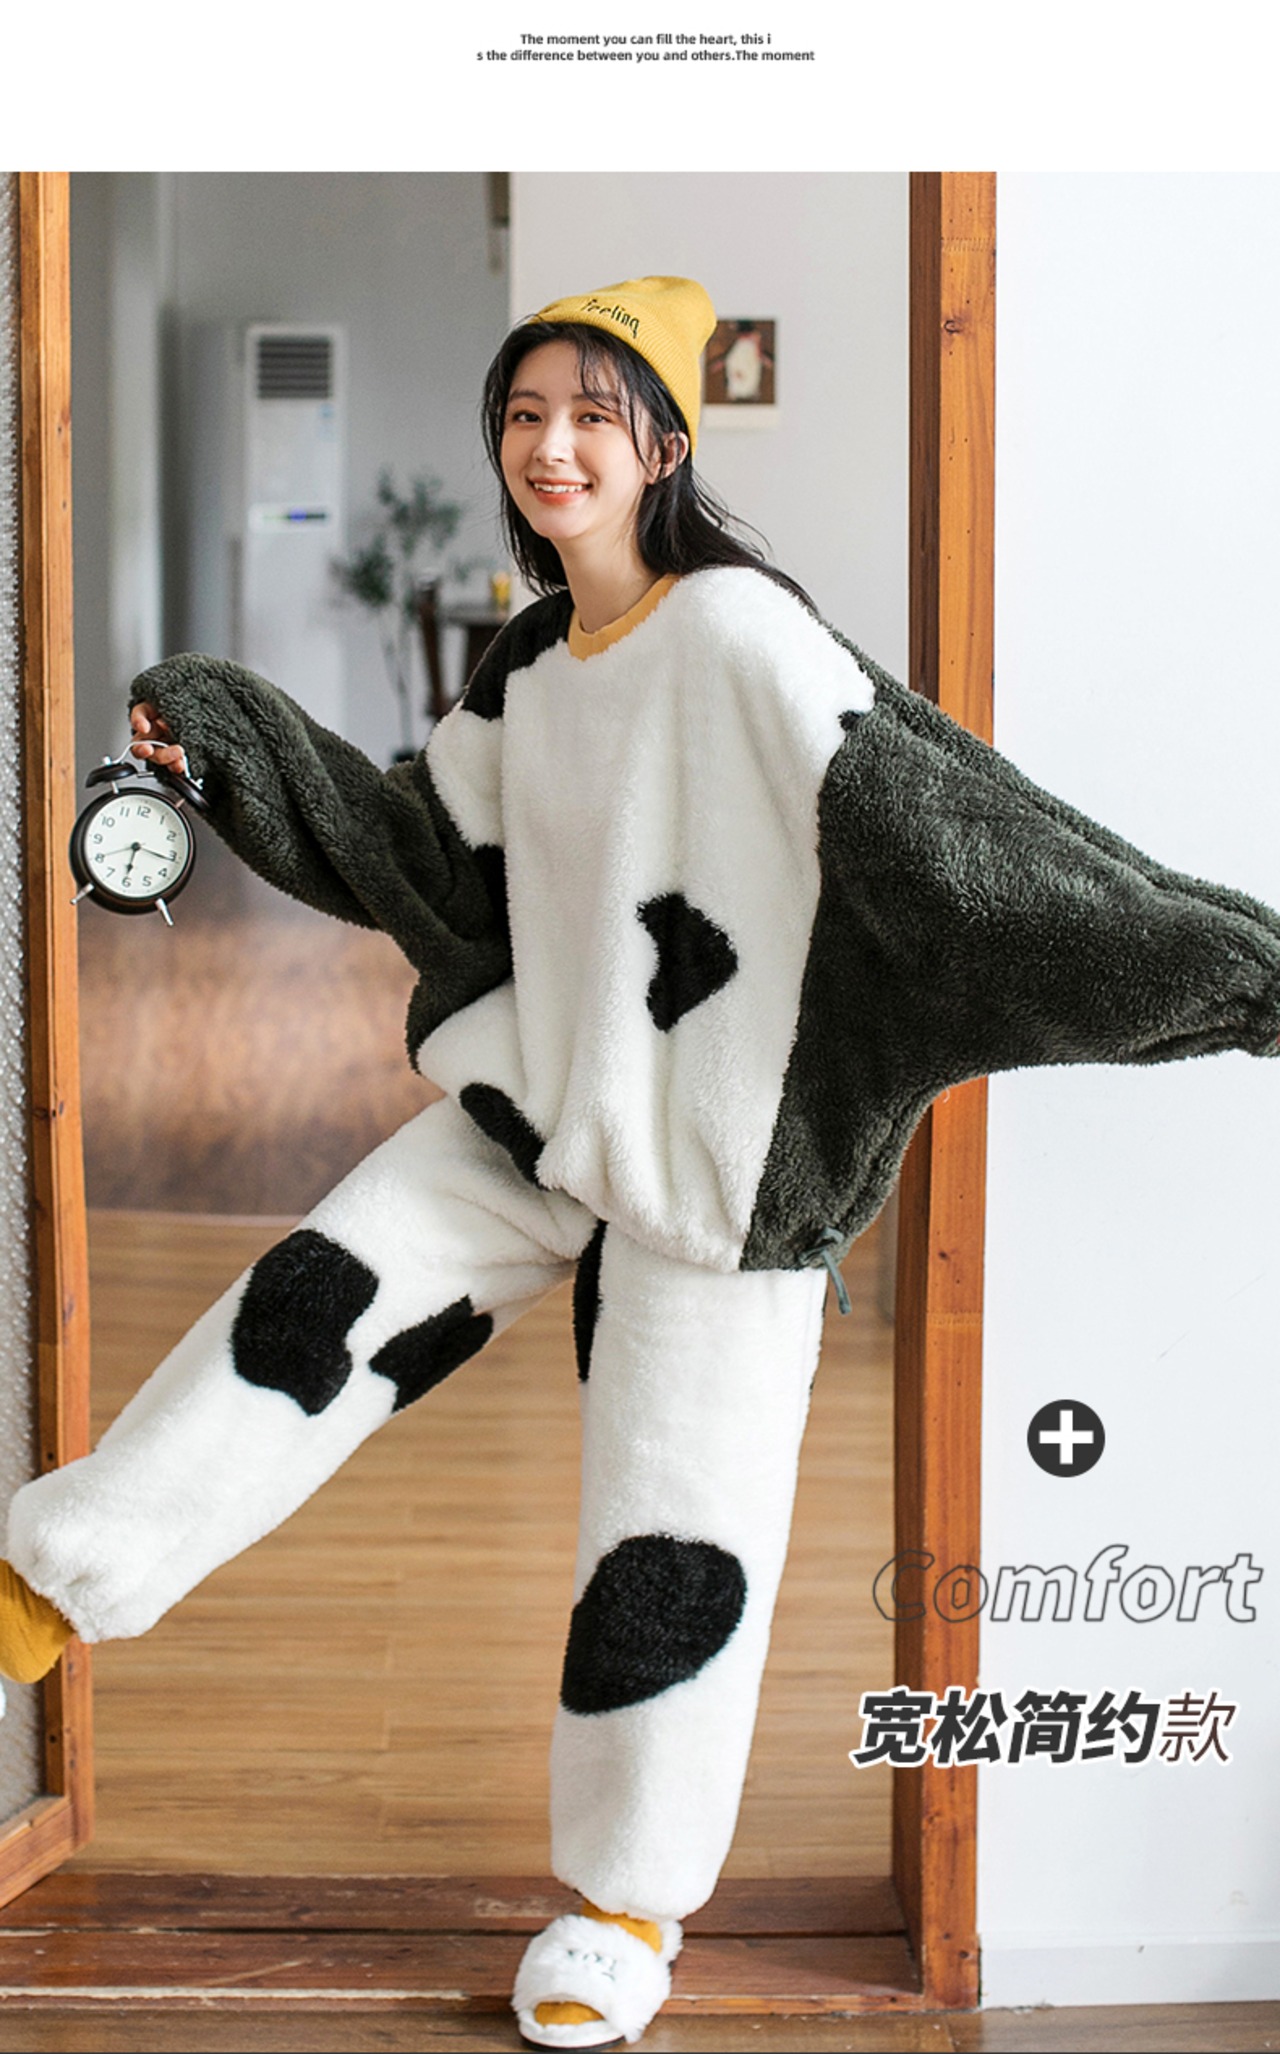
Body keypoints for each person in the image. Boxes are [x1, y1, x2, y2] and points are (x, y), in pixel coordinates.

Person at [4, 274, 1280, 2051]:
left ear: (664, 445)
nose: (552, 447)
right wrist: (230, 741)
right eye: (525, 416)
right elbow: (419, 851)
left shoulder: (744, 637)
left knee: (671, 1544)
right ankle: (42, 1588)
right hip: (541, 1114)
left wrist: (1235, 970)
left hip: (717, 1177)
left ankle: (620, 1909)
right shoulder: (527, 669)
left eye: (591, 416)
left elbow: (964, 848)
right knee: (305, 1306)